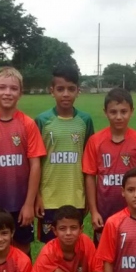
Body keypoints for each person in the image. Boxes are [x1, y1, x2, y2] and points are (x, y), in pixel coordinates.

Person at [0, 66, 46, 258]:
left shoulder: (28, 124)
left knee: (22, 248)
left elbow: (35, 165)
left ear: (20, 93)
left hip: (22, 202)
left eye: (13, 88)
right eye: (2, 87)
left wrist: (29, 203)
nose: (8, 93)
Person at [82, 88, 136, 243]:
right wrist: (94, 211)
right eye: (113, 112)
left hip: (134, 212)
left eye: (124, 111)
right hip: (104, 213)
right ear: (105, 112)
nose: (119, 117)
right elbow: (90, 177)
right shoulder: (95, 141)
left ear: (132, 111)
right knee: (104, 259)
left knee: (131, 253)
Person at [34, 67, 94, 243]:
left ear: (78, 91)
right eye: (60, 89)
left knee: (73, 246)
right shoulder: (42, 120)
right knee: (49, 248)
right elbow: (35, 162)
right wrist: (37, 197)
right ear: (51, 91)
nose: (66, 94)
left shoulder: (85, 120)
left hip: (76, 198)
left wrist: (89, 199)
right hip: (49, 198)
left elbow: (89, 163)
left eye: (71, 89)